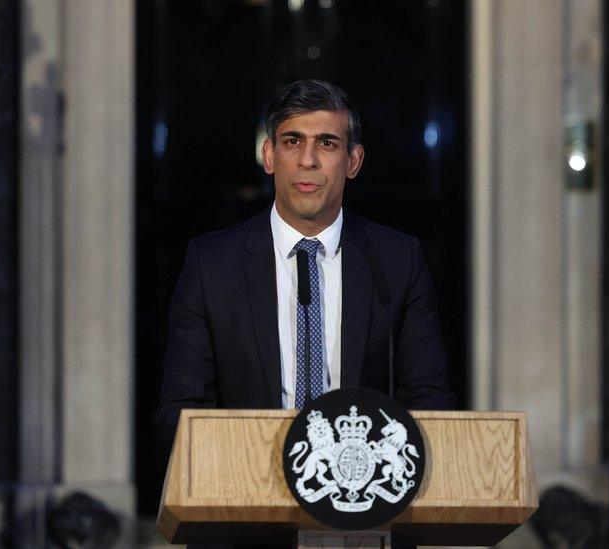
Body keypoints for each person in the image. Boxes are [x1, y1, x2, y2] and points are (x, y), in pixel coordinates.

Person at [154, 78, 455, 485]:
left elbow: (429, 402)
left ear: (353, 161)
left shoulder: (398, 261)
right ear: (269, 154)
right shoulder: (211, 264)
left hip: (365, 508)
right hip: (243, 503)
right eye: (293, 141)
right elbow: (180, 412)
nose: (307, 160)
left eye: (327, 143)